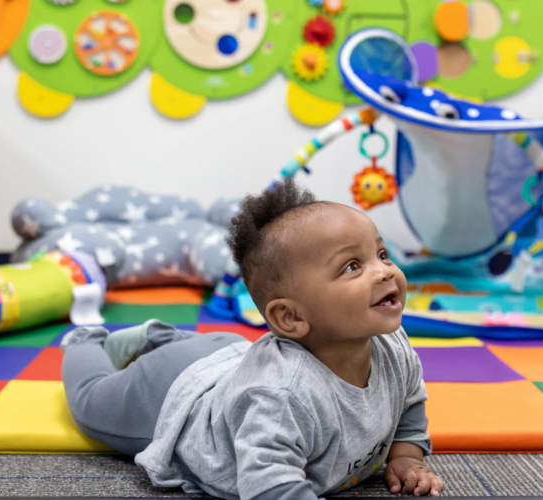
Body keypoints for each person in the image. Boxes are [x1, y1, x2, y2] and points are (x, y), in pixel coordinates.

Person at [62, 179, 443, 500]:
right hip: (172, 392)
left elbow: (409, 401)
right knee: (90, 401)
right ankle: (84, 341)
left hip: (230, 356)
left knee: (221, 357)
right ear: (289, 317)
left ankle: (160, 335)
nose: (385, 272)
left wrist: (407, 456)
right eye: (352, 266)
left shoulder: (393, 347)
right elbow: (267, 482)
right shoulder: (281, 394)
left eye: (381, 253)